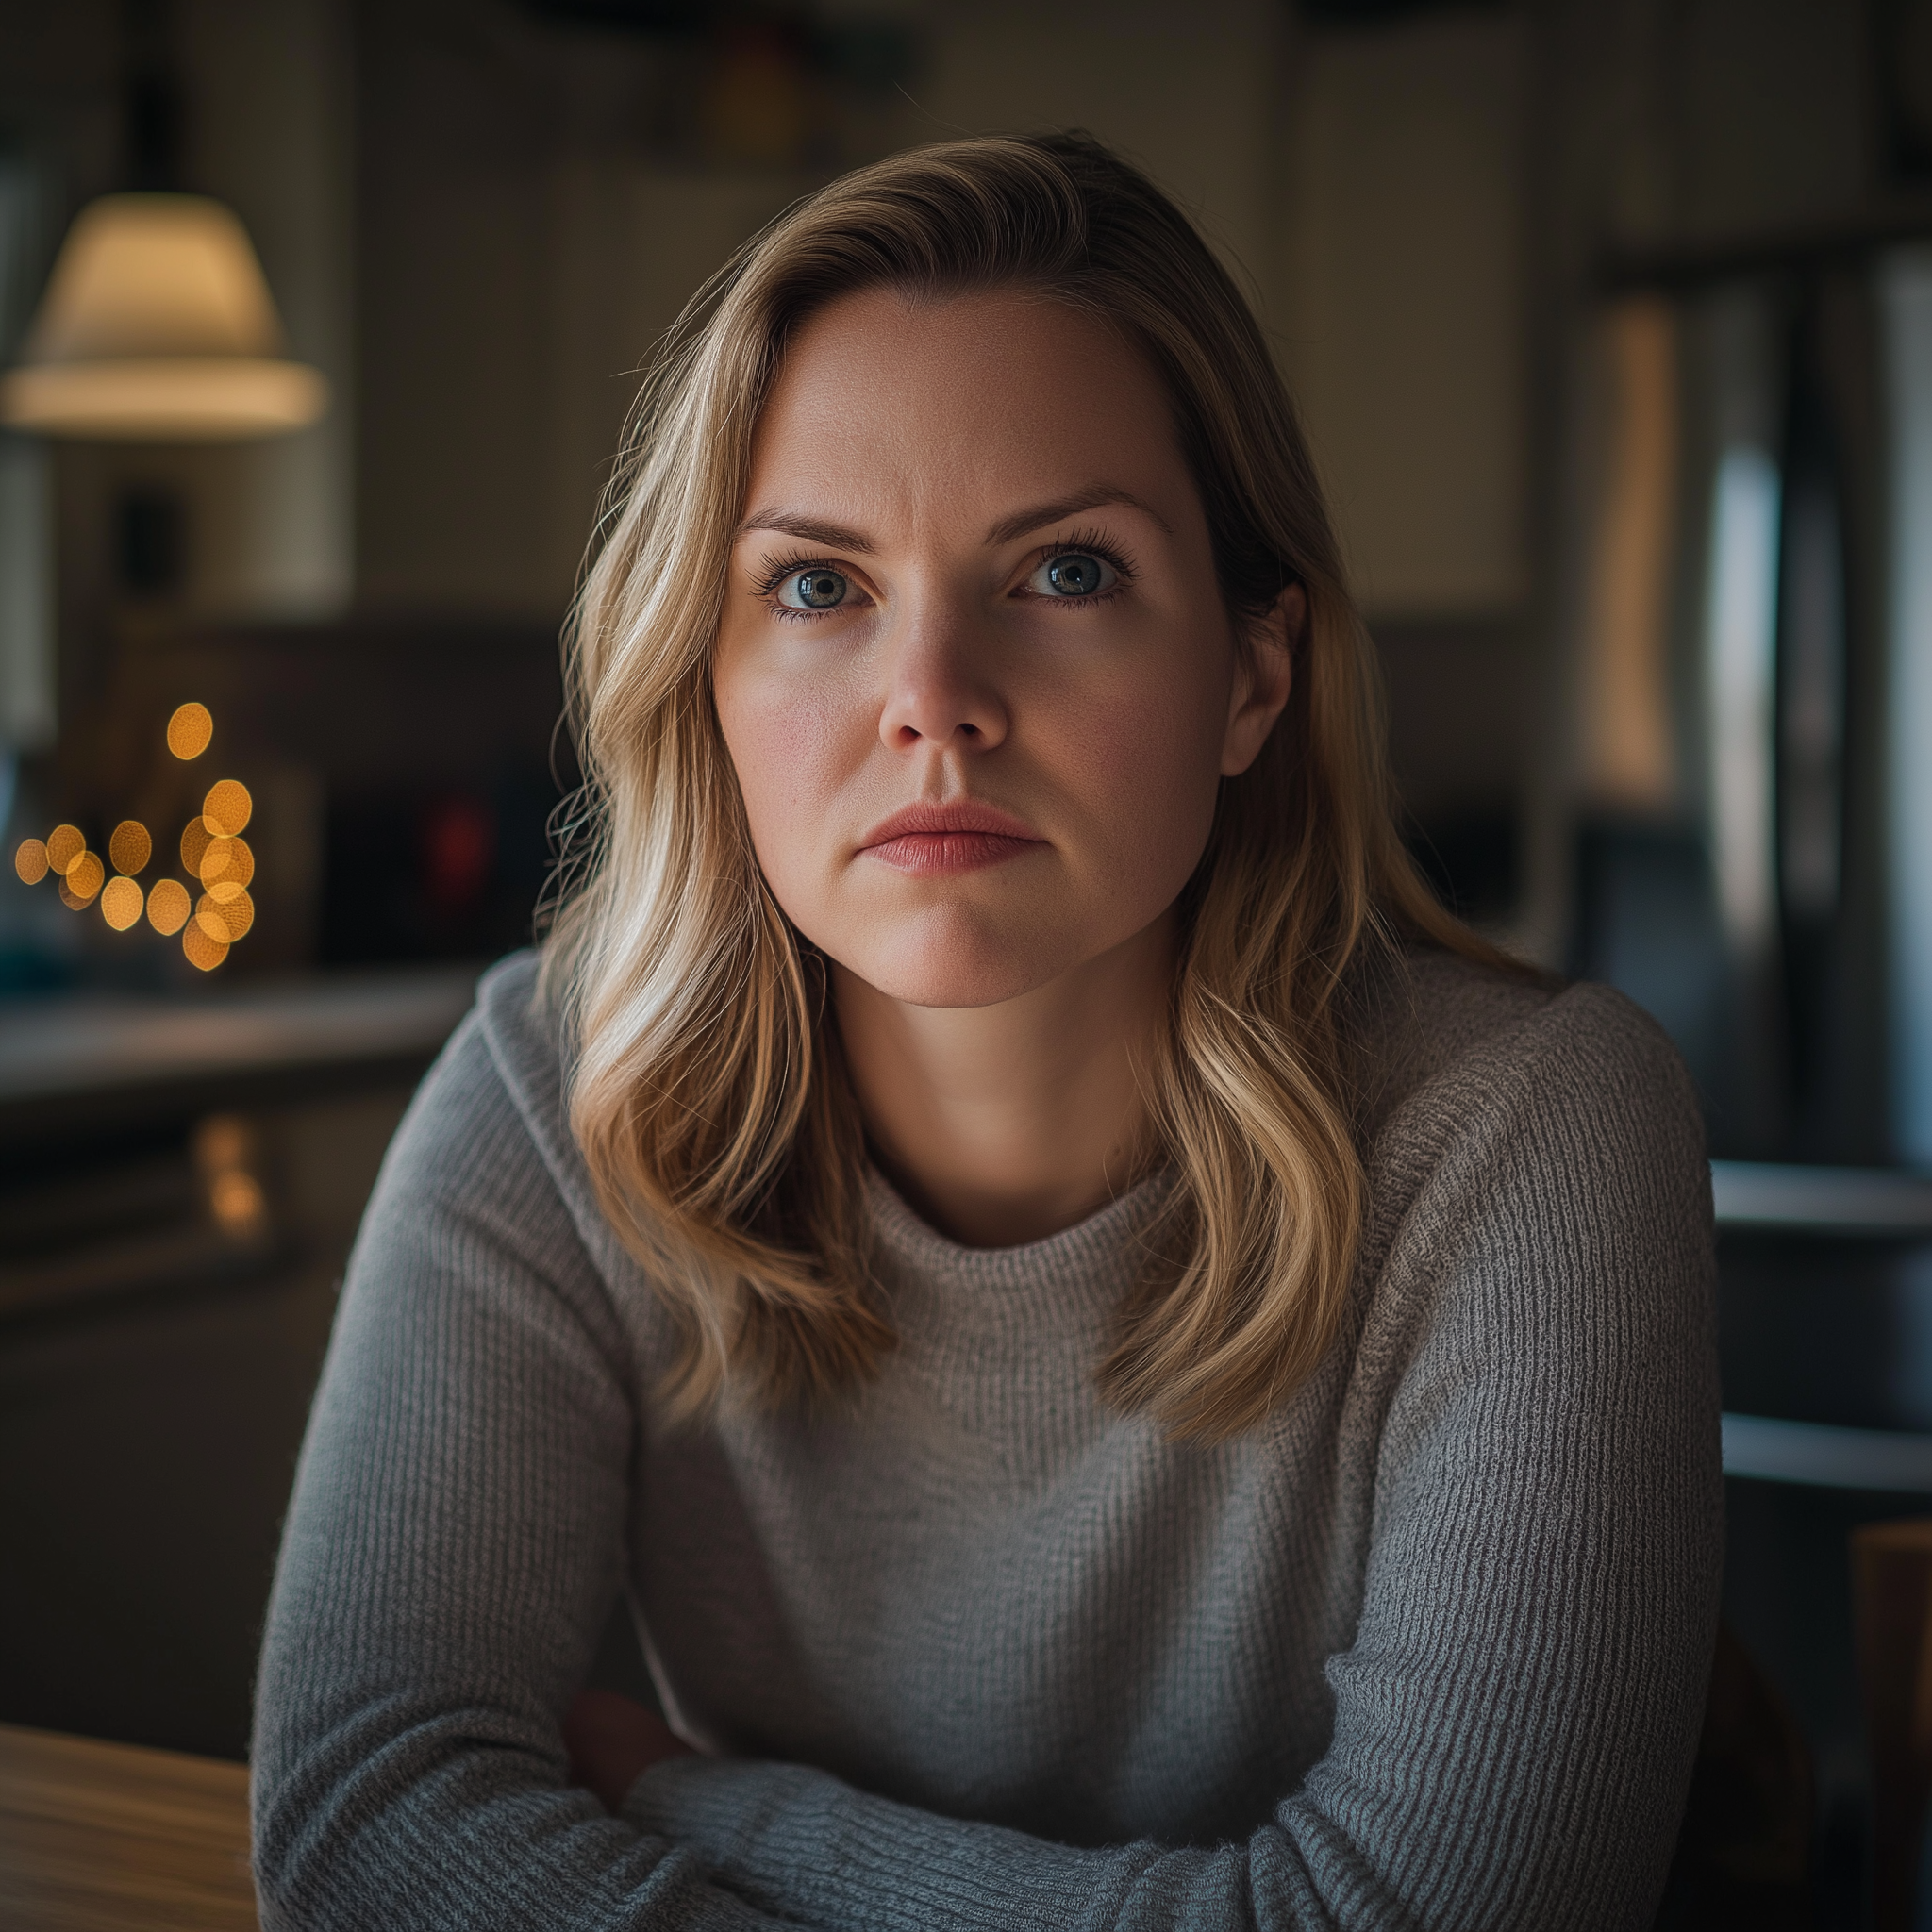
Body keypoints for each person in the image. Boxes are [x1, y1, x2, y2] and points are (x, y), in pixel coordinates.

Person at [252, 133, 1721, 1931]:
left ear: (1253, 674)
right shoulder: (556, 1101)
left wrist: (724, 1816)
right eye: (816, 586)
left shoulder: (1534, 1135)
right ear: (704, 674)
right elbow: (365, 1819)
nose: (933, 700)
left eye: (1068, 573)